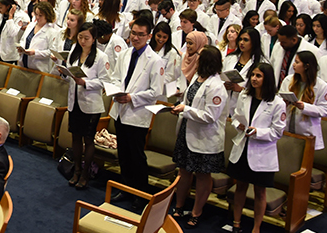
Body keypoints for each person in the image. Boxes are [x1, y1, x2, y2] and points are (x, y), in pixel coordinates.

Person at [108, 14, 164, 208]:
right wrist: (115, 91)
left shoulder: (154, 60)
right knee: (123, 153)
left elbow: (156, 91)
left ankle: (140, 193)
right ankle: (125, 187)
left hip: (137, 113)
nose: (136, 38)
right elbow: (116, 77)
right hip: (120, 110)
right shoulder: (124, 54)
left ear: (149, 36)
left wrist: (132, 97)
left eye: (141, 35)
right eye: (133, 33)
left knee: (136, 156)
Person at [171, 45, 227, 228]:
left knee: (202, 176)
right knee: (184, 171)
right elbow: (190, 101)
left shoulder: (217, 86)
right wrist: (180, 106)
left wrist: (185, 110)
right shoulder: (197, 77)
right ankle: (179, 206)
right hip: (187, 132)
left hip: (205, 138)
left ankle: (196, 212)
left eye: (199, 56)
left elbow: (210, 116)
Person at [228, 63, 285, 233]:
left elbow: (277, 131)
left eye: (258, 76)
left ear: (267, 79)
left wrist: (258, 132)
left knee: (260, 192)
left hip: (262, 153)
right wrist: (238, 125)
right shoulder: (244, 95)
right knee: (240, 187)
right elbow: (236, 117)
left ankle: (256, 227)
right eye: (253, 75)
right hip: (242, 149)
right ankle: (236, 222)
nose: (254, 78)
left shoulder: (277, 103)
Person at [62, 23, 109, 189]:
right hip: (74, 101)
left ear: (94, 39)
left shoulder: (101, 57)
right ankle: (76, 169)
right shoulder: (75, 51)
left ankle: (85, 173)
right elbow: (70, 71)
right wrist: (65, 74)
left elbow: (104, 81)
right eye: (80, 37)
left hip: (90, 104)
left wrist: (85, 82)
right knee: (75, 137)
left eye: (86, 38)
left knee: (88, 140)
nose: (82, 41)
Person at [280, 51, 327, 152]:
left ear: (306, 66)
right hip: (286, 129)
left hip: (307, 131)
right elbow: (278, 100)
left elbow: (326, 110)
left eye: (297, 62)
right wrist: (283, 102)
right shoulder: (288, 80)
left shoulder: (322, 86)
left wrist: (305, 107)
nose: (293, 65)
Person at [17, 2, 57, 73]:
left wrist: (35, 53)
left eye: (40, 15)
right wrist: (21, 48)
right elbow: (23, 40)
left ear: (47, 16)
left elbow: (51, 52)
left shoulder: (52, 32)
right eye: (36, 14)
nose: (37, 17)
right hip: (23, 65)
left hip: (39, 69)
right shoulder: (30, 26)